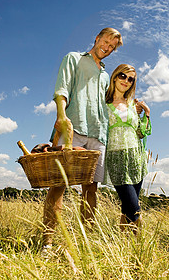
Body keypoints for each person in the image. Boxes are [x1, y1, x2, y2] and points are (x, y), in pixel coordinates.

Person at [42, 28, 123, 249]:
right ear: (97, 38)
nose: (106, 48)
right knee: (58, 185)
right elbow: (62, 89)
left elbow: (108, 106)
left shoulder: (106, 75)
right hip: (72, 128)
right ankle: (47, 243)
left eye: (111, 47)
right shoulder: (74, 58)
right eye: (105, 42)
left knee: (91, 188)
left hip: (98, 134)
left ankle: (85, 243)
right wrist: (61, 117)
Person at [103, 64, 151, 234]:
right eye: (123, 76)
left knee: (127, 209)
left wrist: (146, 115)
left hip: (136, 157)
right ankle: (140, 245)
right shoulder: (104, 103)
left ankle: (123, 245)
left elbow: (140, 133)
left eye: (131, 79)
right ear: (115, 76)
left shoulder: (132, 105)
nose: (126, 81)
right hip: (116, 157)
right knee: (133, 206)